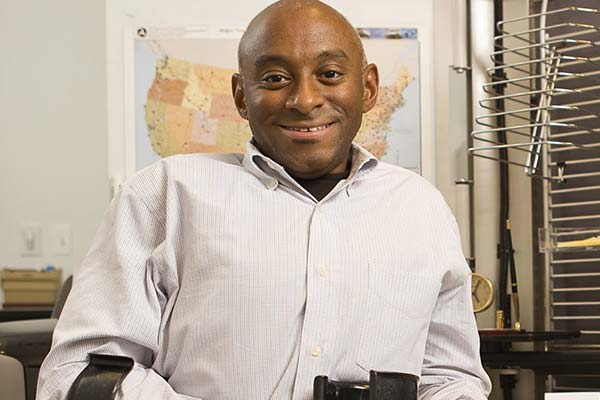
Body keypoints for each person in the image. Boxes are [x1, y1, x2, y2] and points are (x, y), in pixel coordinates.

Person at [37, 1, 491, 399]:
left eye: (330, 74)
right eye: (275, 78)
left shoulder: (421, 209)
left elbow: (450, 376)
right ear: (240, 95)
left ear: (368, 88)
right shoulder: (164, 195)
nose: (305, 99)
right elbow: (78, 374)